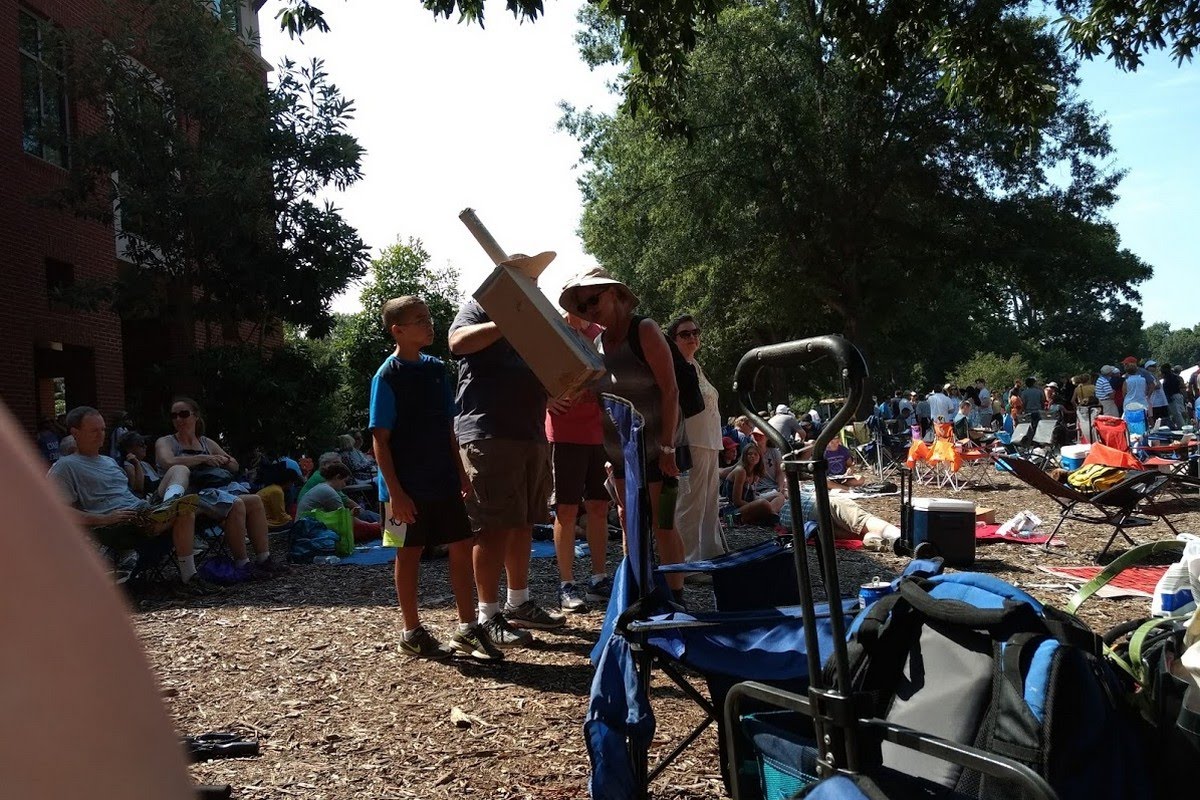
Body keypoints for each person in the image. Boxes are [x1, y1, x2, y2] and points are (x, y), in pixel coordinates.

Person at [372, 295, 499, 661]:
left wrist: (461, 472)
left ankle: (466, 628)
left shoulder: (435, 369)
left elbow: (448, 428)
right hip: (401, 489)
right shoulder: (387, 375)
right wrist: (396, 493)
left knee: (460, 545)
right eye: (419, 320)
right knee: (407, 553)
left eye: (428, 318)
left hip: (443, 480)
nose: (429, 325)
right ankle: (411, 632)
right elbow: (380, 441)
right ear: (398, 330)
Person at [450, 253, 565, 647]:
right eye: (526, 280)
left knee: (522, 522)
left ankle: (519, 602)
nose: (534, 286)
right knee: (493, 526)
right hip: (488, 434)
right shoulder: (477, 309)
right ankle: (488, 615)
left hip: (530, 434)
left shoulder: (534, 324)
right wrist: (505, 322)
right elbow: (456, 342)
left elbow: (554, 373)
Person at [559, 267, 688, 602]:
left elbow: (670, 390)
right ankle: (640, 593)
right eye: (582, 306)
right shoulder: (598, 344)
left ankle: (677, 597)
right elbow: (602, 397)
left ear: (615, 294)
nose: (588, 309)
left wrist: (669, 448)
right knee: (630, 523)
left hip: (658, 450)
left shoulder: (643, 330)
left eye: (593, 299)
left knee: (663, 524)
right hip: (620, 454)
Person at [48, 406, 212, 593]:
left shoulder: (109, 461)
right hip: (118, 522)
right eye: (94, 430)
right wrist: (103, 519)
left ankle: (169, 504)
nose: (101, 435)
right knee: (186, 512)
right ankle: (189, 576)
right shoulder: (65, 467)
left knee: (180, 470)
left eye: (103, 429)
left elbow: (134, 490)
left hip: (141, 508)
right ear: (75, 433)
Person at [155, 397, 283, 578]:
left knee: (254, 500)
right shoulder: (166, 442)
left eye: (183, 414)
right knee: (234, 503)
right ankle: (242, 564)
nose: (178, 419)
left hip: (210, 493)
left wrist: (224, 460)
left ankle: (264, 558)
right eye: (173, 416)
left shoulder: (207, 443)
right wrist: (203, 459)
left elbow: (235, 466)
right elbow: (167, 461)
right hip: (183, 494)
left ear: (195, 416)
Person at [545, 311, 615, 613]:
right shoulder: (553, 328)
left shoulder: (603, 333)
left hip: (599, 432)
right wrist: (545, 398)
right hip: (564, 431)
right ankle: (567, 584)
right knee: (567, 508)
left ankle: (599, 579)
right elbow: (536, 369)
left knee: (600, 505)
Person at [668, 314, 726, 565]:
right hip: (690, 442)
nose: (692, 337)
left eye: (695, 332)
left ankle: (710, 555)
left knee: (710, 503)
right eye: (685, 334)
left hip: (710, 442)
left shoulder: (695, 366)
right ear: (673, 340)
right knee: (689, 504)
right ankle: (688, 562)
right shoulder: (674, 367)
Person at [779, 484, 901, 551]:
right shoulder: (788, 497)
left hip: (808, 526)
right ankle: (901, 538)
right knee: (864, 521)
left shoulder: (783, 517)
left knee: (859, 533)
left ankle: (882, 542)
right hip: (818, 505)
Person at [727, 443, 787, 525]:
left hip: (749, 504)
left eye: (756, 454)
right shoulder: (741, 471)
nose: (753, 456)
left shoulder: (756, 473)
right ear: (745, 456)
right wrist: (757, 506)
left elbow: (753, 496)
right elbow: (737, 501)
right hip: (734, 510)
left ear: (760, 457)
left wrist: (759, 506)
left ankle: (766, 515)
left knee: (779, 496)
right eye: (749, 454)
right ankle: (770, 515)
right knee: (763, 503)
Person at [255, 460, 302, 528]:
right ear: (289, 482)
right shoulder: (277, 491)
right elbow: (280, 514)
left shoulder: (274, 488)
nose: (292, 485)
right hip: (264, 521)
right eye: (292, 483)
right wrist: (291, 519)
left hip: (264, 518)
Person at [118, 431, 162, 499]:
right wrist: (136, 464)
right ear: (129, 449)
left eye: (145, 444)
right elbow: (138, 490)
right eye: (141, 445)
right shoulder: (129, 466)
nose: (145, 447)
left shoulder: (145, 464)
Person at [1145, 359, 1168, 424]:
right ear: (1148, 368)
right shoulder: (1148, 376)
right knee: (1157, 419)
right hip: (1154, 402)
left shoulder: (1154, 375)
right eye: (1152, 366)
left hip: (1160, 400)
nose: (1154, 367)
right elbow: (1157, 386)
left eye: (1155, 366)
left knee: (1164, 418)